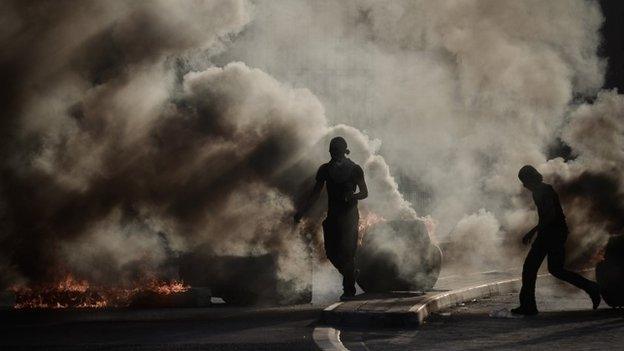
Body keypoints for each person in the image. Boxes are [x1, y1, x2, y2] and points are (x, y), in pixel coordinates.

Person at [512, 165, 601, 315]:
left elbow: (550, 215)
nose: (524, 185)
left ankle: (528, 306)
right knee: (555, 269)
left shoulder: (543, 191)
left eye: (524, 180)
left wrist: (532, 231)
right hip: (553, 233)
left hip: (552, 234)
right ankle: (591, 287)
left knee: (530, 268)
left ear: (530, 179)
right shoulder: (539, 191)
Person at [294, 137, 368, 301]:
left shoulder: (355, 169)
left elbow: (364, 192)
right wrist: (302, 211)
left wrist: (353, 195)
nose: (334, 153)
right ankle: (350, 274)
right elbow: (315, 194)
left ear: (344, 150)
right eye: (332, 150)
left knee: (348, 253)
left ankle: (348, 289)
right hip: (333, 216)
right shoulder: (325, 170)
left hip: (349, 217)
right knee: (331, 252)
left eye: (337, 150)